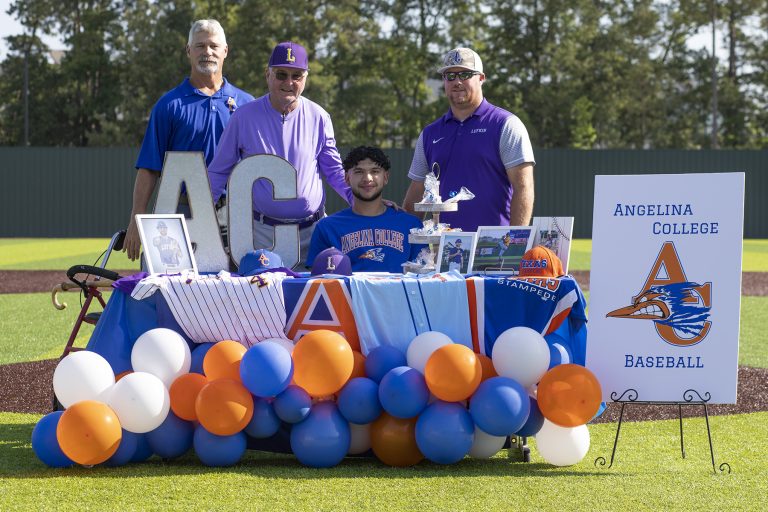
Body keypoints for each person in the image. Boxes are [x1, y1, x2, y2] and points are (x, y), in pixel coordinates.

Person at [208, 41, 353, 269]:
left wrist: (362, 201)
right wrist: (200, 216)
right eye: (281, 74)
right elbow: (218, 172)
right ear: (268, 75)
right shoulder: (243, 117)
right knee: (262, 293)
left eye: (297, 76)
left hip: (313, 232)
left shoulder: (319, 116)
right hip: (262, 234)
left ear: (305, 79)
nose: (289, 82)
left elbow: (334, 172)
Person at [123, 19, 254, 261]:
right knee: (173, 279)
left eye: (214, 46)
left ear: (225, 51)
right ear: (188, 50)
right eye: (200, 46)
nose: (207, 52)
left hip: (234, 212)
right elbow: (149, 167)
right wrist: (136, 218)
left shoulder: (247, 104)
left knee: (237, 282)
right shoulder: (169, 105)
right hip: (181, 209)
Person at [403, 47, 535, 232]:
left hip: (494, 246)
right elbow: (416, 193)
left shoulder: (506, 124)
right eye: (450, 76)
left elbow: (523, 188)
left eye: (465, 74)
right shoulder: (429, 134)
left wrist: (515, 241)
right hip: (444, 246)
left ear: (481, 78)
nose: (457, 82)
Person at [305, 146, 424, 273]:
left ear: (385, 177)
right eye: (359, 172)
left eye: (375, 171)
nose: (367, 178)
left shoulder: (411, 225)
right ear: (347, 178)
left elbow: (424, 275)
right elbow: (318, 279)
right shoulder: (327, 227)